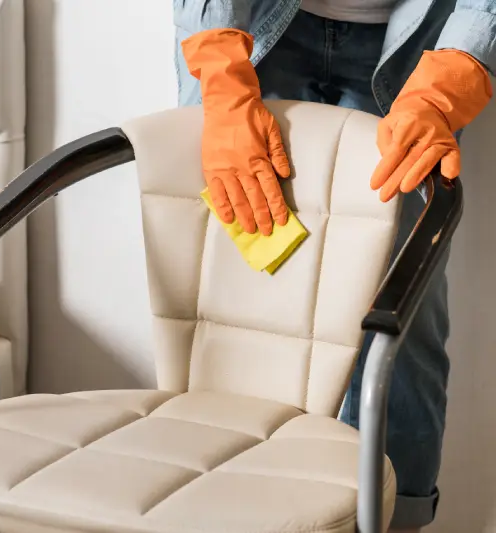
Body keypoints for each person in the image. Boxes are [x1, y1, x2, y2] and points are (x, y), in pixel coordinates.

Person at [173, 1, 494, 531]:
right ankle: (226, 509)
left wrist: (452, 78)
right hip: (259, 30)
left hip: (419, 45)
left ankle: (393, 518)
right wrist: (219, 66)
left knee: (400, 304)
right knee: (240, 296)